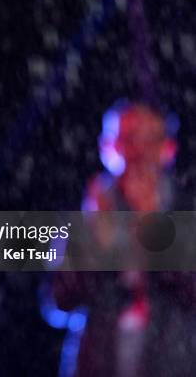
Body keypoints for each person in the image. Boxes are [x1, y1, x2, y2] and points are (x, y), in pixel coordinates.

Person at [54, 100, 196, 377]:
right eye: (128, 140)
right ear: (106, 148)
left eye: (149, 140)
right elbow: (58, 302)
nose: (138, 153)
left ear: (169, 149)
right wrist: (96, 246)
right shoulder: (87, 212)